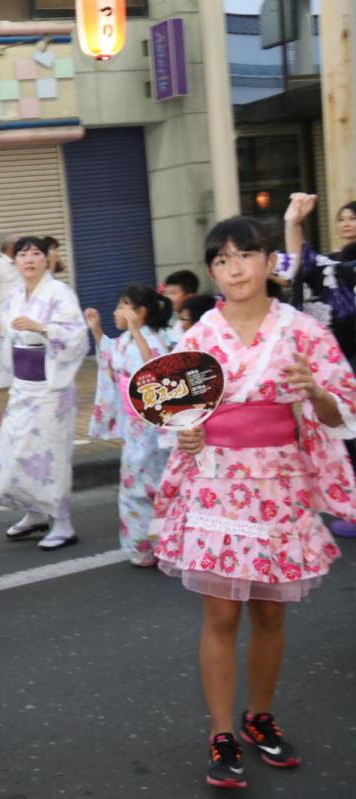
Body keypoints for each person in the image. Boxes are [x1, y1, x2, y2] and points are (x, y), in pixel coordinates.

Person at [150, 216, 356, 790]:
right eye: (222, 259)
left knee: (270, 610)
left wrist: (314, 392)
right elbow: (177, 421)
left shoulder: (305, 333)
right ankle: (221, 734)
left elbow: (342, 412)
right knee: (221, 612)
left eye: (245, 255)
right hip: (217, 481)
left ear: (270, 263)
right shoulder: (195, 340)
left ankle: (259, 716)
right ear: (213, 271)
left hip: (281, 482)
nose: (234, 268)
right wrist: (187, 434)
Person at [0, 236, 89, 550]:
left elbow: (76, 336)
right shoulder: (13, 296)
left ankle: (63, 523)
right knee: (18, 450)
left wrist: (43, 328)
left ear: (46, 259)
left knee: (50, 453)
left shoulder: (60, 293)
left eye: (36, 253)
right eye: (23, 254)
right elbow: (8, 336)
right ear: (15, 262)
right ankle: (34, 514)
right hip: (23, 386)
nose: (30, 259)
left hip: (52, 387)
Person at [280, 193, 356, 539]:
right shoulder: (334, 267)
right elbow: (300, 265)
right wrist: (293, 222)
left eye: (353, 218)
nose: (346, 224)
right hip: (344, 358)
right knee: (346, 431)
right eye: (342, 218)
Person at [86, 285, 174, 566]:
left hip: (150, 424)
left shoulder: (151, 341)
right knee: (135, 482)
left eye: (122, 306)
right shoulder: (124, 341)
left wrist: (136, 332)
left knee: (148, 483)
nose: (116, 312)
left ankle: (160, 544)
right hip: (133, 424)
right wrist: (97, 330)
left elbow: (156, 370)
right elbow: (108, 356)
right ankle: (145, 546)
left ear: (140, 312)